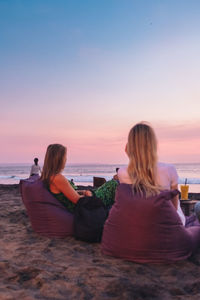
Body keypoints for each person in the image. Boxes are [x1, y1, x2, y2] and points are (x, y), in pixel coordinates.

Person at [117, 122, 186, 225]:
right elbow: (173, 208)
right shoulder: (169, 169)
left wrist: (131, 157)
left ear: (129, 146)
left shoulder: (122, 173)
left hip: (141, 223)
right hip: (168, 224)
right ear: (153, 144)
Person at [41, 144, 92, 213]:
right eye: (65, 157)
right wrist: (89, 197)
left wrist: (83, 192)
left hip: (71, 206)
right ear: (59, 159)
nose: (66, 159)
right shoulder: (57, 178)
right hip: (77, 211)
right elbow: (78, 201)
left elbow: (64, 194)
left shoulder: (48, 176)